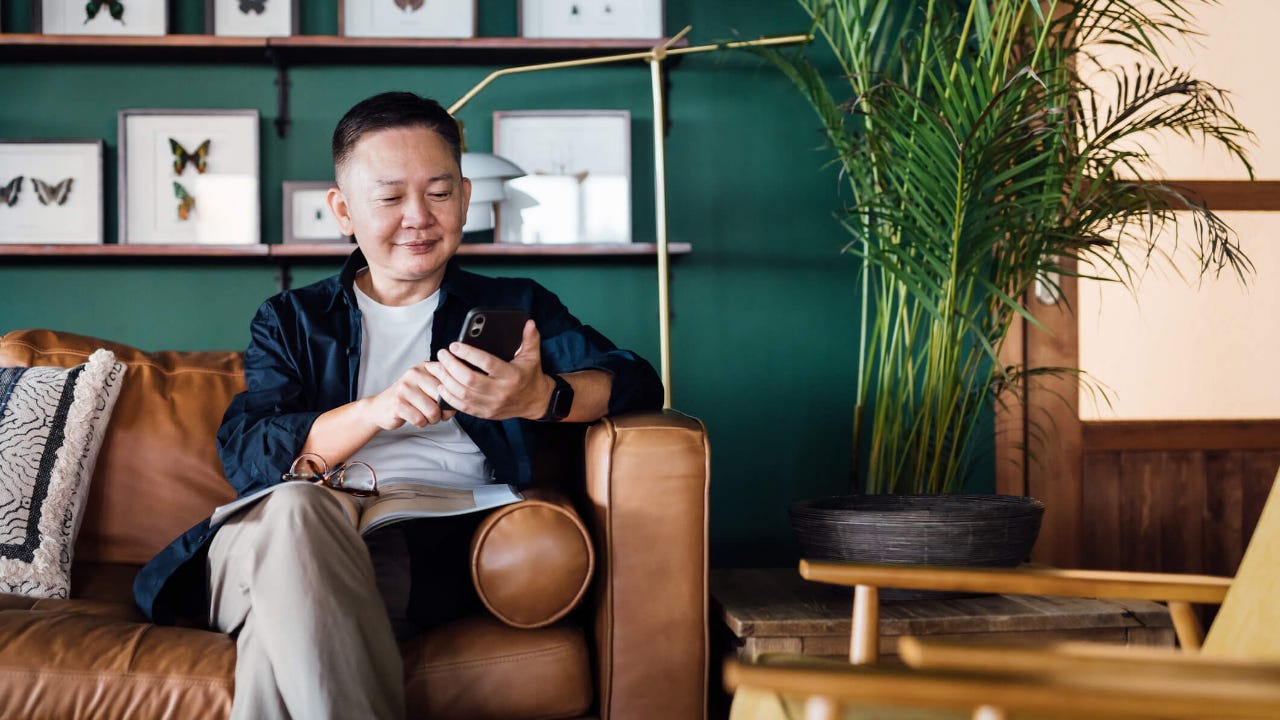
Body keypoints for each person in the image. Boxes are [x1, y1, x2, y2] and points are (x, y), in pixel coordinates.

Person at [132, 91, 664, 720]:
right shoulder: (292, 319)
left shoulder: (515, 308)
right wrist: (373, 411)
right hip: (265, 541)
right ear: (344, 210)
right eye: (389, 197)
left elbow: (633, 380)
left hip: (419, 549)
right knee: (298, 507)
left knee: (278, 648)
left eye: (439, 192)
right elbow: (250, 455)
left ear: (465, 199)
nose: (418, 216)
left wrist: (540, 395)